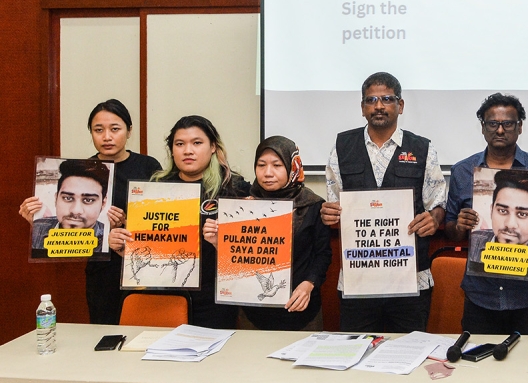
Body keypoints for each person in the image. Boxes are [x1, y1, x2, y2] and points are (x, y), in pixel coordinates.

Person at [322, 72, 446, 333]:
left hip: (410, 279)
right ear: (362, 108)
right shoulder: (342, 147)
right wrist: (329, 214)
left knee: (408, 356)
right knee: (356, 355)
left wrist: (434, 219)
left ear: (400, 106)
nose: (378, 106)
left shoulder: (422, 149)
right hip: (359, 280)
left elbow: (437, 204)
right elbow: (335, 205)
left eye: (387, 99)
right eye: (371, 100)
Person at [19, 99, 162, 324]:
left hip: (145, 268)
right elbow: (65, 238)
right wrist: (36, 221)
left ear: (129, 131)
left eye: (115, 129)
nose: (107, 136)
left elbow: (164, 218)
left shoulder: (148, 166)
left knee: (146, 333)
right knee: (105, 334)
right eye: (98, 130)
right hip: (103, 273)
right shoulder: (81, 172)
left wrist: (128, 223)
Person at [111, 115, 249, 329]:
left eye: (197, 143)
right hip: (166, 296)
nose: (188, 151)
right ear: (172, 150)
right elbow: (146, 245)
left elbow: (251, 252)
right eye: (179, 144)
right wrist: (123, 247)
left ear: (213, 146)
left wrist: (223, 242)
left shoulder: (235, 189)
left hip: (215, 301)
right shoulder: (154, 188)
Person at [445, 93, 528, 335]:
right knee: (478, 367)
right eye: (492, 124)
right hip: (480, 295)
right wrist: (460, 225)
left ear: (520, 127)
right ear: (483, 128)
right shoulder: (463, 171)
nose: (501, 130)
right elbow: (451, 230)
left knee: (526, 368)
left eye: (508, 124)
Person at [240, 136, 332, 331]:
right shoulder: (244, 205)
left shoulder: (313, 205)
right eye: (261, 165)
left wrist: (309, 284)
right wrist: (237, 219)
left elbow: (323, 254)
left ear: (292, 168)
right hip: (253, 309)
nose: (268, 173)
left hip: (300, 308)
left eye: (277, 165)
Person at [467, 170, 528, 276]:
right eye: (502, 211)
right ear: (491, 211)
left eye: (522, 214)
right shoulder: (475, 240)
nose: (510, 224)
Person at [29, 159, 109, 252]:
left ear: (103, 204)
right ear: (56, 199)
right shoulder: (36, 228)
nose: (75, 210)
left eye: (88, 200)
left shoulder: (109, 239)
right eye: (68, 198)